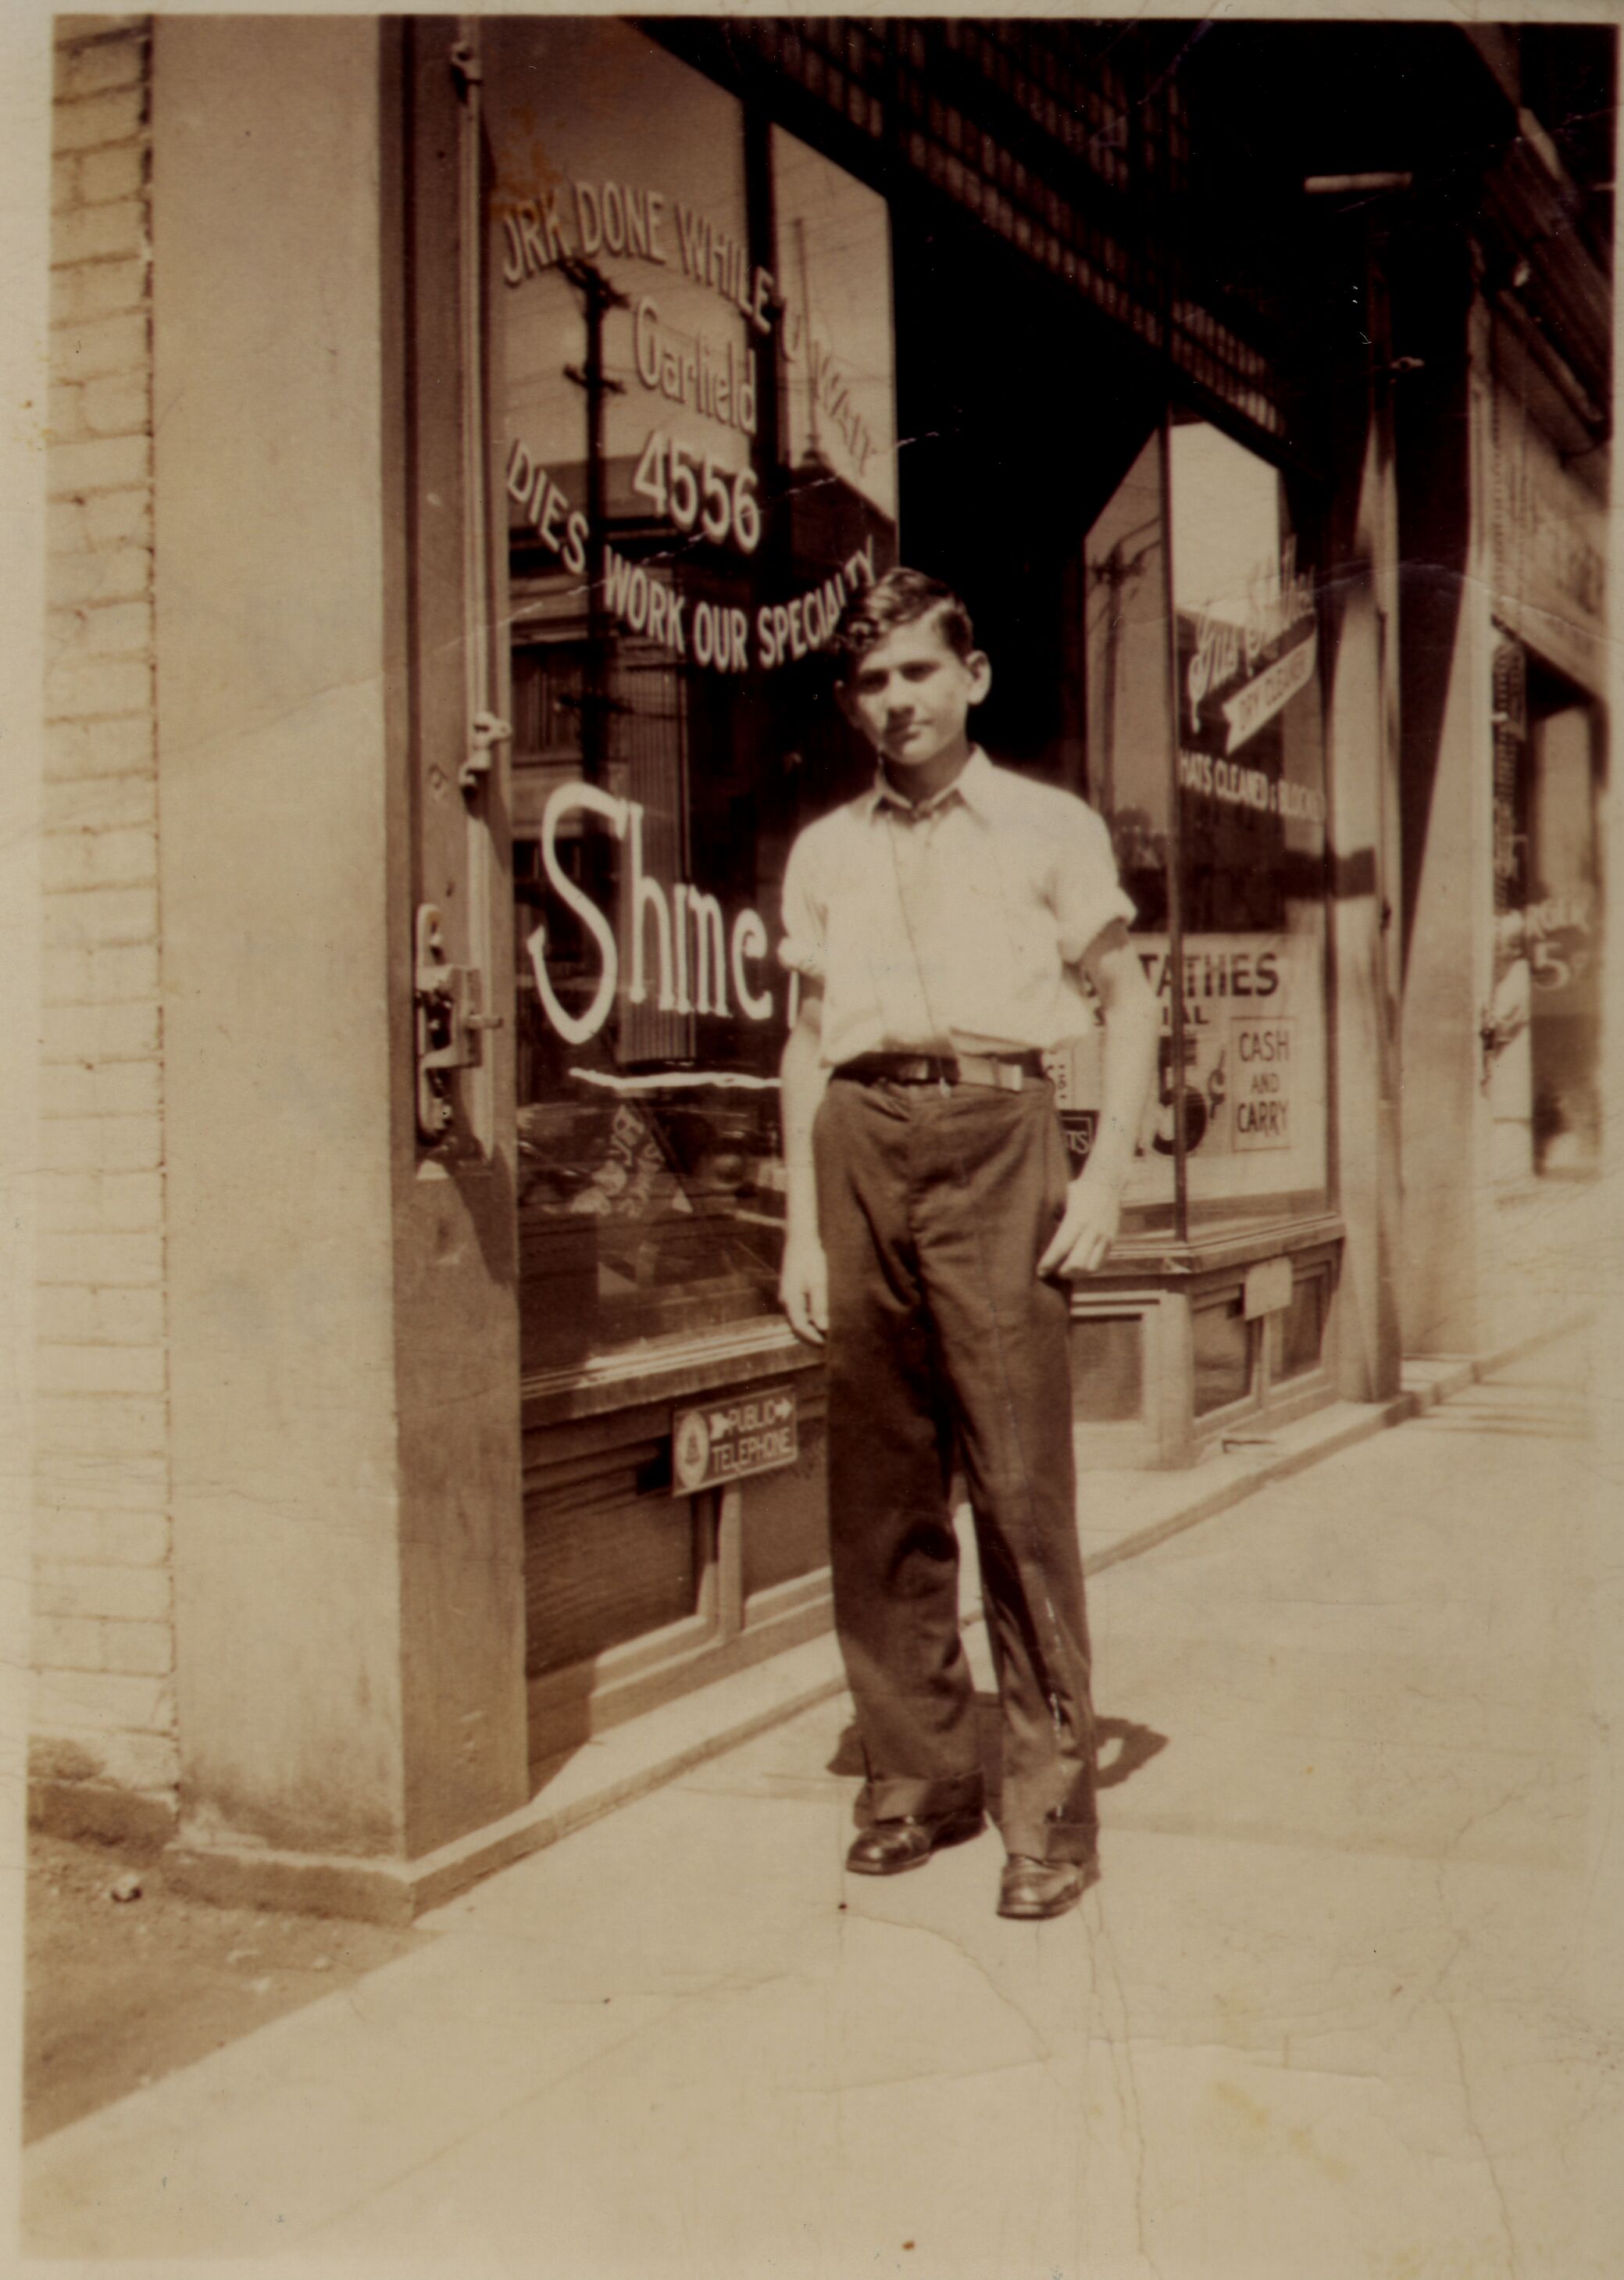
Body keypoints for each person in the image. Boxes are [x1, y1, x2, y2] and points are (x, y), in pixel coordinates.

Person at [776, 568, 1160, 1921]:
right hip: (858, 1140)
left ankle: (1049, 1809)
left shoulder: (1048, 827)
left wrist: (1104, 1172)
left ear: (971, 677)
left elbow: (1126, 999)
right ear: (850, 701)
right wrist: (801, 1232)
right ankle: (917, 1778)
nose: (896, 701)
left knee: (1016, 1485)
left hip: (1003, 1137)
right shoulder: (827, 849)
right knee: (882, 1489)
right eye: (871, 683)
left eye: (917, 673)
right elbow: (806, 1042)